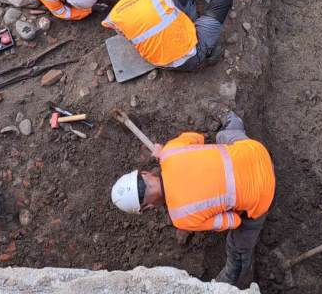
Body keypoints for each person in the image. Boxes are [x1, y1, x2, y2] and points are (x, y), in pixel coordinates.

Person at [110, 111, 274, 286]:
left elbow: (233, 221)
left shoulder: (181, 218)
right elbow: (198, 138)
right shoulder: (170, 151)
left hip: (264, 194)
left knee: (237, 245)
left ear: (148, 207)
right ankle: (231, 117)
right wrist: (166, 153)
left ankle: (231, 280)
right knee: (223, 136)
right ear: (145, 173)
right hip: (256, 151)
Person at [99, 0, 232, 71]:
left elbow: (127, 34)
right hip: (192, 55)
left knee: (169, 5)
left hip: (160, 63)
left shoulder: (113, 18)